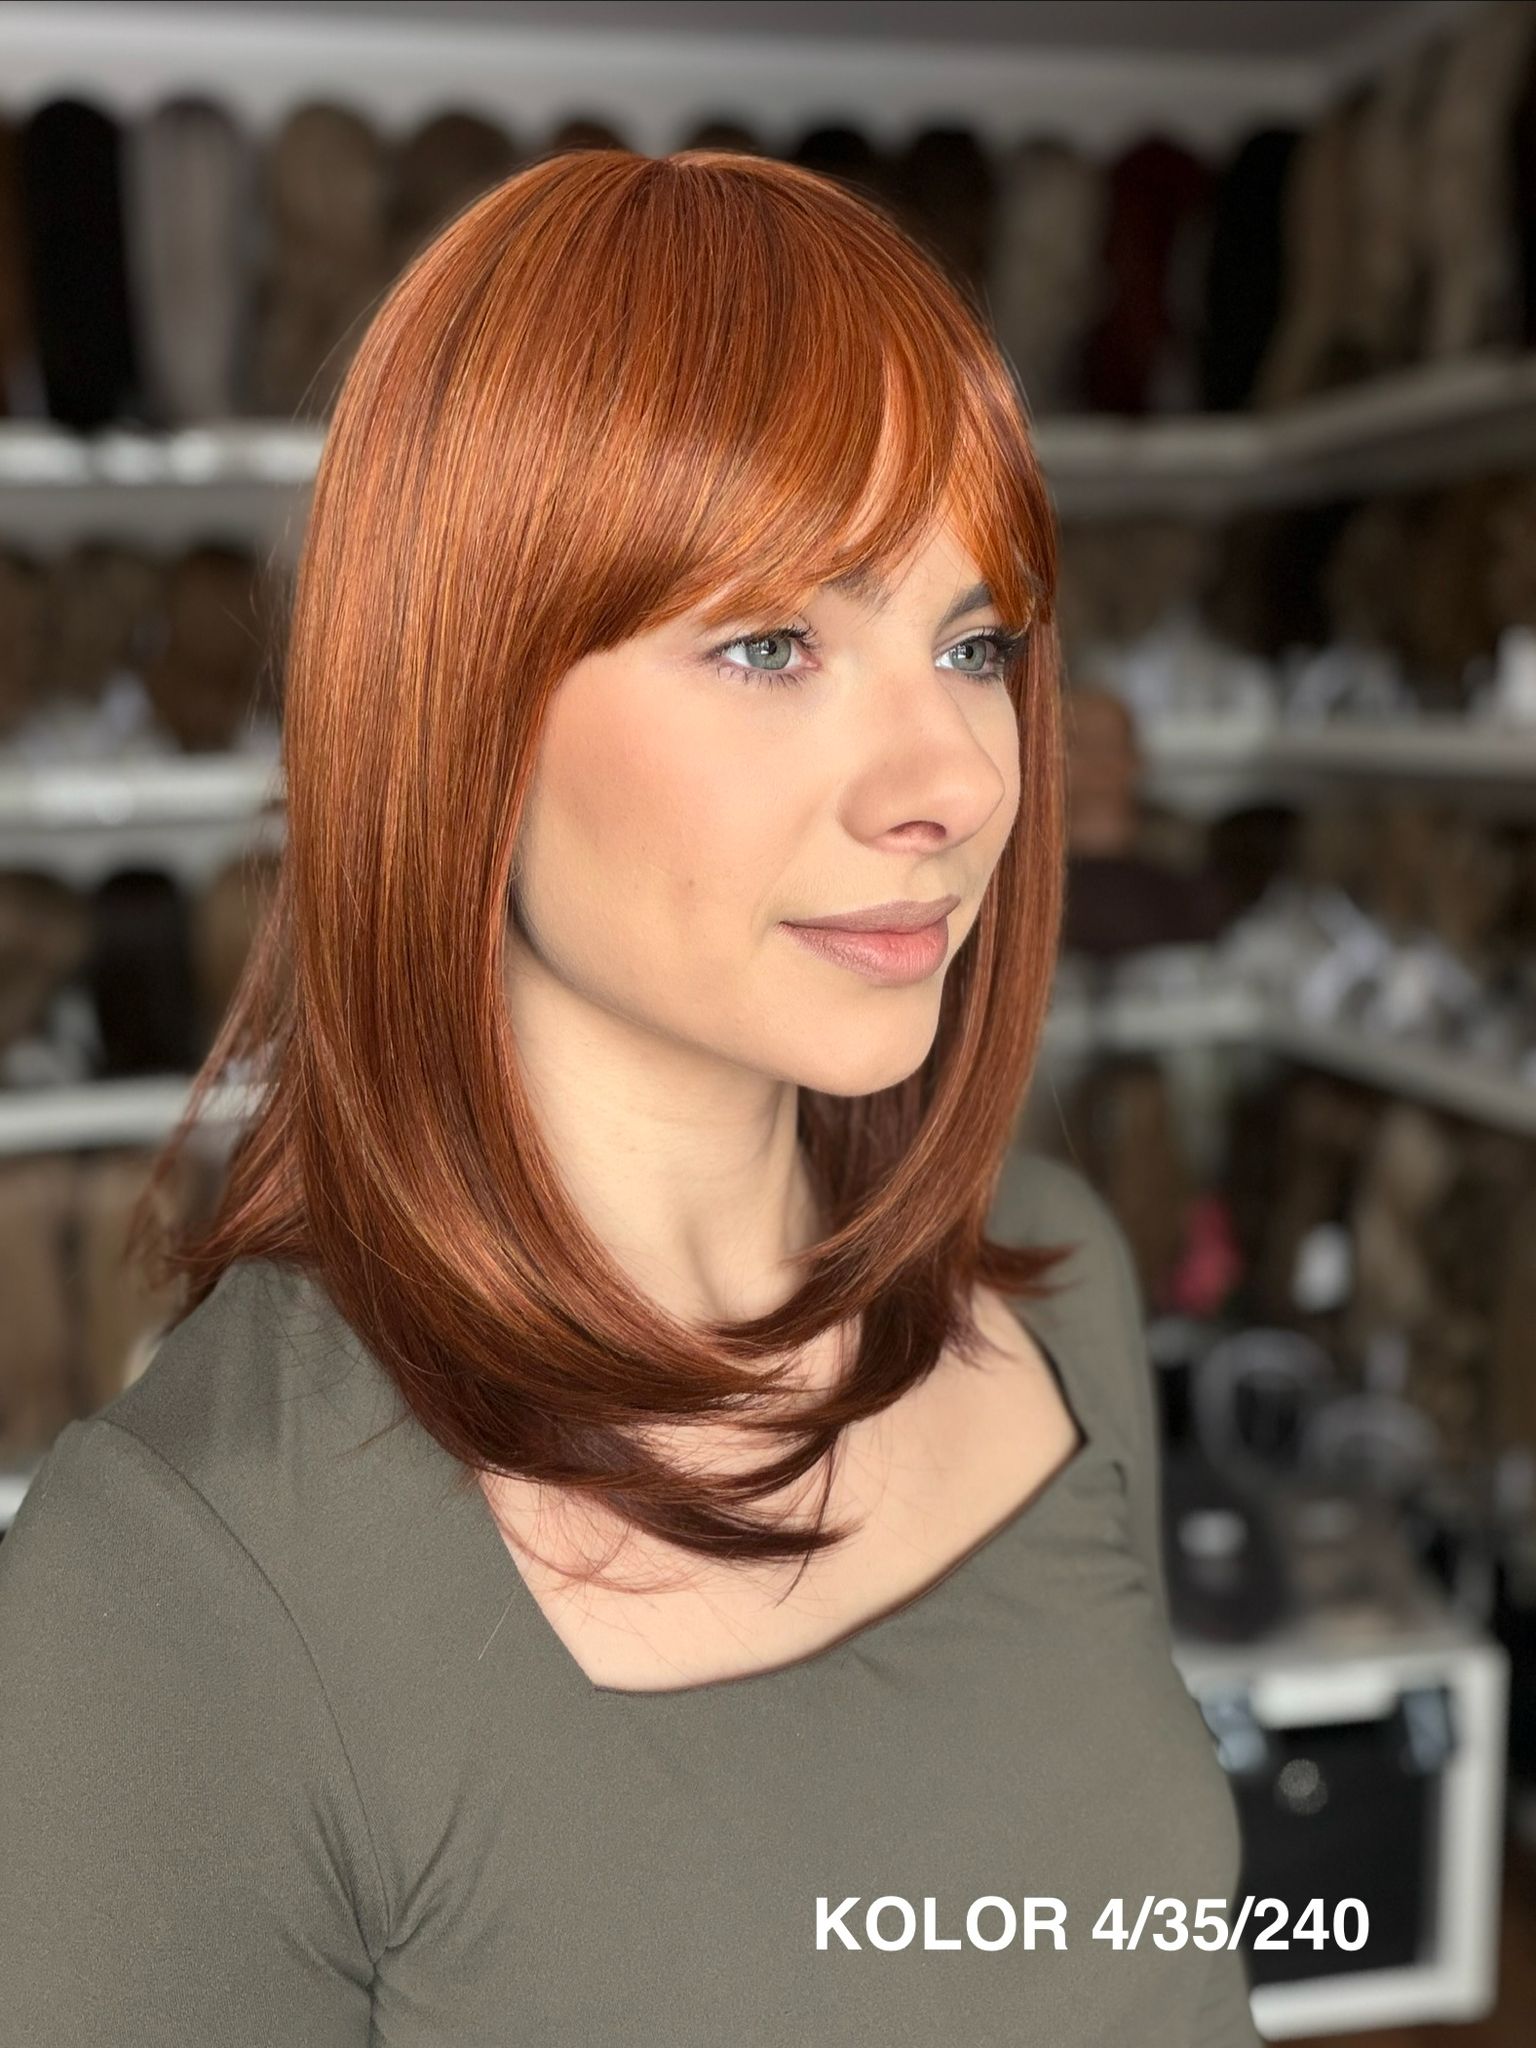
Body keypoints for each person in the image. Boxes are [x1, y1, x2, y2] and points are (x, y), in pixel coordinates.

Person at [0, 148, 1261, 2045]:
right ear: (461, 707)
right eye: (771, 644)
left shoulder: (1050, 1290)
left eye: (975, 642)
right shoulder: (180, 1582)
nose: (955, 780)